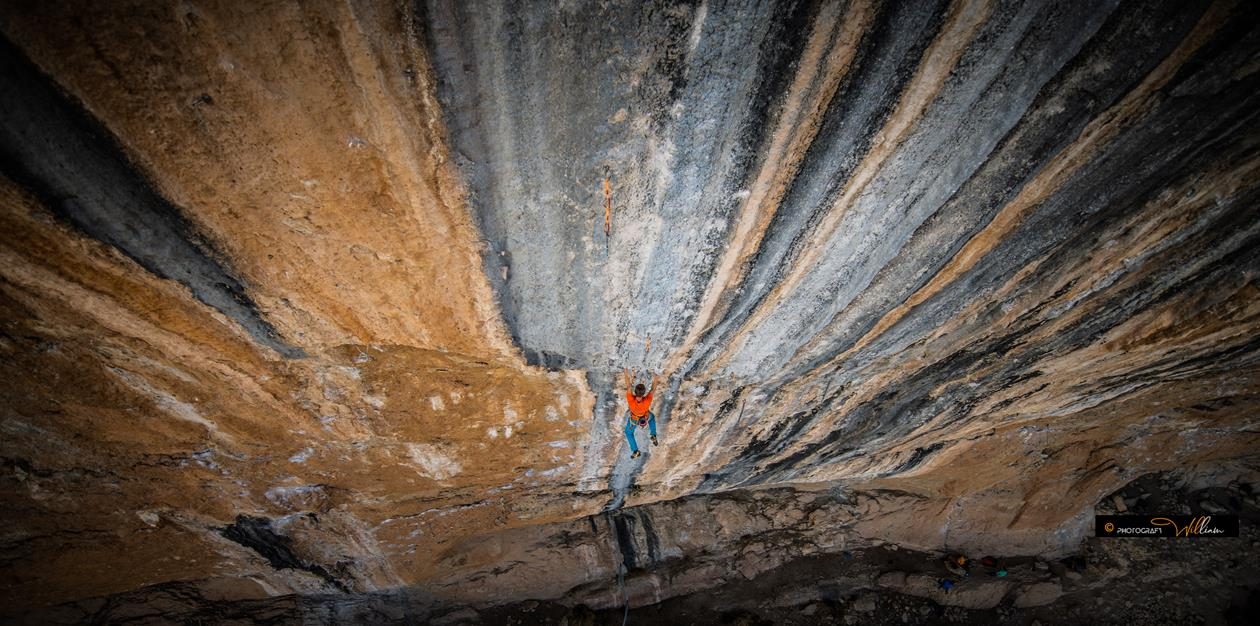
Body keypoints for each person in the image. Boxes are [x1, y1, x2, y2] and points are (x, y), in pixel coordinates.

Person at [622, 368, 658, 458]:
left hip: (634, 419)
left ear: (635, 392)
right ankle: (653, 434)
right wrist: (657, 375)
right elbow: (653, 389)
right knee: (652, 417)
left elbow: (628, 386)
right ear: (644, 393)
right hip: (645, 417)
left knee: (629, 433)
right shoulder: (647, 400)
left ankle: (635, 450)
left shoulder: (631, 399)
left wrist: (626, 372)